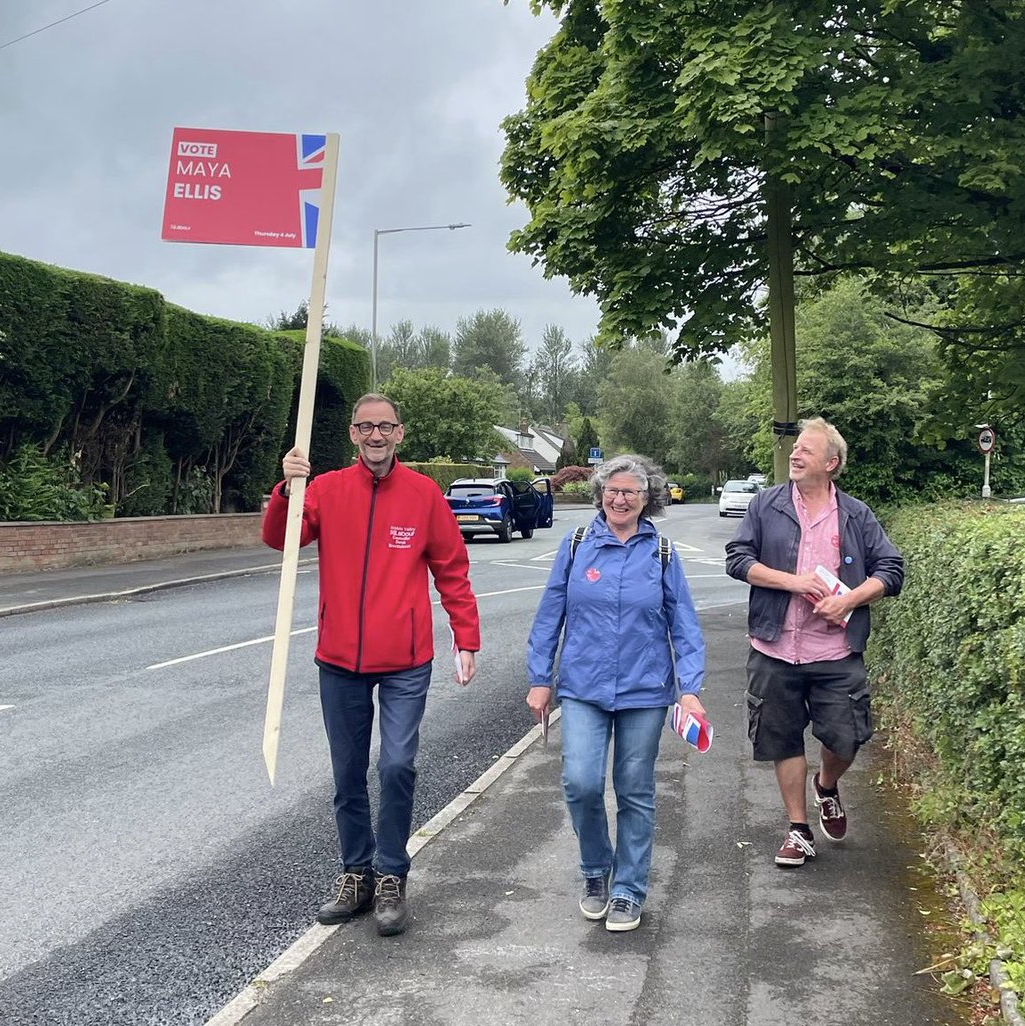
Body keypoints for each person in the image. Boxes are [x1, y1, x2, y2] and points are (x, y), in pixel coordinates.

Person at [261, 392, 479, 935]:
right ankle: (356, 873)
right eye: (365, 427)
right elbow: (278, 539)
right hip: (339, 660)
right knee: (347, 775)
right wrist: (287, 488)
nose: (376, 436)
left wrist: (465, 636)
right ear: (354, 434)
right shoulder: (327, 490)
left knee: (396, 765)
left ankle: (391, 876)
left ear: (400, 433)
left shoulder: (425, 495)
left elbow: (452, 569)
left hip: (405, 660)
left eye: (385, 427)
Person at [526, 454, 706, 932]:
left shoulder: (663, 553)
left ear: (648, 500)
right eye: (612, 490)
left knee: (635, 791)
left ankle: (629, 889)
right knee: (581, 783)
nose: (619, 498)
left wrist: (689, 689)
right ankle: (595, 872)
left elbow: (684, 625)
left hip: (645, 691)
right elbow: (550, 616)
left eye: (630, 492)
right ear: (599, 494)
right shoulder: (578, 543)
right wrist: (540, 679)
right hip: (584, 686)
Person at [725, 417, 903, 867]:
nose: (795, 454)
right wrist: (793, 582)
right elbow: (737, 559)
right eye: (795, 448)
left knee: (847, 739)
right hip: (775, 647)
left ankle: (827, 784)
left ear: (831, 462)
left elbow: (891, 569)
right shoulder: (766, 505)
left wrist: (851, 601)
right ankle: (798, 829)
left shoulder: (856, 514)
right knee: (782, 739)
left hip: (836, 651)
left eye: (806, 449)